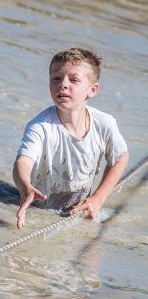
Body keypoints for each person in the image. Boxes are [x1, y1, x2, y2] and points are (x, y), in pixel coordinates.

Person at [13, 48, 129, 229]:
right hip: (40, 208)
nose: (63, 84)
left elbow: (120, 157)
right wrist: (24, 185)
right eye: (56, 78)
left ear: (92, 90)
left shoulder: (104, 124)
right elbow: (23, 160)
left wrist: (98, 199)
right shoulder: (40, 126)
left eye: (74, 80)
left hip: (80, 207)